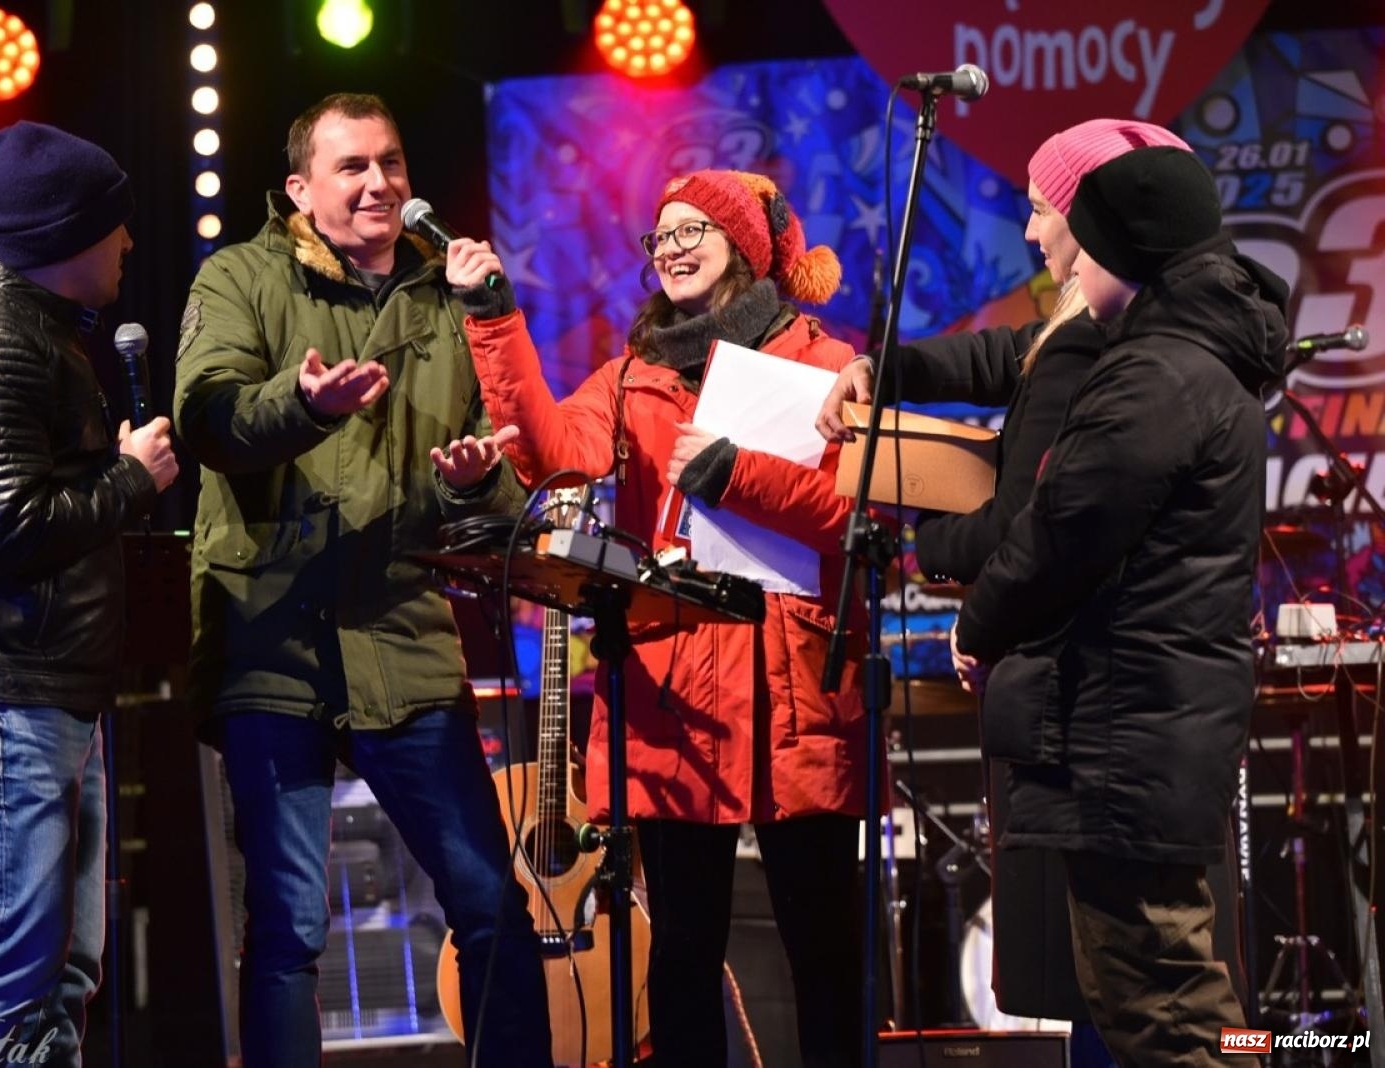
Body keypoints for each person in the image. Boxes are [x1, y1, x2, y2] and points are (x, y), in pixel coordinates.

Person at [437, 169, 874, 1067]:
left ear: (746, 248)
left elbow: (857, 515)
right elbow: (557, 456)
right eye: (660, 234)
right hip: (674, 698)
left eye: (692, 229)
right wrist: (493, 315)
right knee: (677, 959)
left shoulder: (826, 364)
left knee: (825, 956)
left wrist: (736, 473)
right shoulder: (629, 377)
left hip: (797, 695)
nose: (670, 246)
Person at [172, 93, 552, 1067]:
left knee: (489, 902)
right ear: (300, 188)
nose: (379, 181)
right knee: (289, 928)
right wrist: (301, 405)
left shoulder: (446, 297)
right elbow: (207, 421)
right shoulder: (239, 277)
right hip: (274, 637)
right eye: (352, 166)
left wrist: (479, 483)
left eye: (390, 161)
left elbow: (511, 486)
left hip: (400, 637)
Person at [815, 118, 1193, 1036]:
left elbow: (1028, 526)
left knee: (1120, 991)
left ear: (1088, 215)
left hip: (1081, 695)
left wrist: (925, 543)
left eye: (1039, 209)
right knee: (1123, 984)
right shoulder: (1090, 326)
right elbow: (1000, 359)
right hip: (1104, 694)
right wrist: (883, 366)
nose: (1029, 232)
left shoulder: (1094, 343)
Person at [950, 146, 1288, 1064]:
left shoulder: (1155, 378)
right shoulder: (1179, 364)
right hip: (1134, 730)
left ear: (1125, 251)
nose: (1054, 255)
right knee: (1152, 1002)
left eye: (1079, 238)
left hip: (1123, 733)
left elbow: (1060, 533)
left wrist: (976, 621)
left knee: (1167, 1011)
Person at [0, 120, 178, 1067]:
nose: (130, 245)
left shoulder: (34, 332)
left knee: (59, 972)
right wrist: (132, 478)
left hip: (43, 689)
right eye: (116, 228)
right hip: (2, 692)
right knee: (13, 963)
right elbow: (12, 529)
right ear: (68, 236)